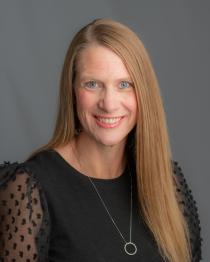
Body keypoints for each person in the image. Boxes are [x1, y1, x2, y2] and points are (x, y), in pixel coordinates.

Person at [0, 18, 202, 262]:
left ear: (144, 95)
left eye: (124, 85)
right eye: (92, 84)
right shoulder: (28, 189)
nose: (108, 103)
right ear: (72, 91)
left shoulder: (167, 182)